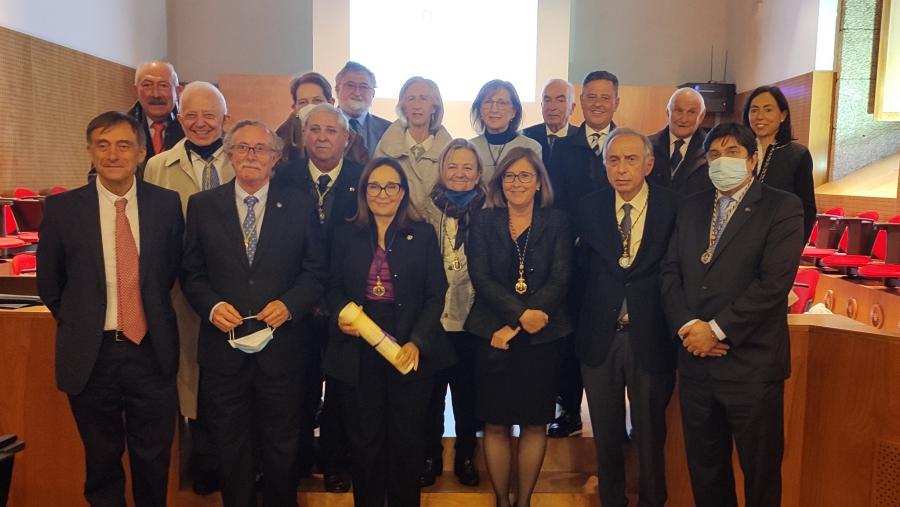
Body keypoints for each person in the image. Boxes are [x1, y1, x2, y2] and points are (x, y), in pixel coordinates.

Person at [37, 111, 184, 506]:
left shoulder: (166, 206)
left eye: (123, 145)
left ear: (140, 153)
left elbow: (170, 272)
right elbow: (50, 286)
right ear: (90, 152)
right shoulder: (63, 210)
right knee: (101, 460)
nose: (112, 154)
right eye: (102, 145)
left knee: (152, 458)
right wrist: (83, 322)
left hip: (150, 351)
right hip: (92, 354)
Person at [181, 120, 327, 507]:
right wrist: (211, 306)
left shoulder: (298, 204)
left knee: (282, 445)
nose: (250, 155)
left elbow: (315, 270)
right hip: (223, 352)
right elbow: (191, 273)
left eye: (260, 149)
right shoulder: (202, 206)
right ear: (229, 155)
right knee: (231, 446)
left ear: (276, 158)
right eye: (242, 148)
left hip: (282, 350)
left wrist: (290, 304)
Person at [660, 122, 805, 507]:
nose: (722, 161)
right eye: (714, 155)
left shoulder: (782, 206)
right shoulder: (691, 206)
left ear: (753, 160)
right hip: (697, 365)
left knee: (760, 476)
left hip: (751, 367)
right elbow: (670, 272)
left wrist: (718, 330)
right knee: (706, 474)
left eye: (733, 153)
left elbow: (773, 285)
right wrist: (691, 327)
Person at [324, 157, 453, 507]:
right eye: (375, 186)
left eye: (391, 186)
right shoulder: (345, 234)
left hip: (408, 350)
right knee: (364, 442)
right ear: (364, 192)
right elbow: (331, 288)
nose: (383, 193)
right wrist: (340, 316)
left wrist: (418, 341)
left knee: (405, 441)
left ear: (403, 192)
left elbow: (434, 293)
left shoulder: (422, 233)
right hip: (358, 349)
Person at [577, 128, 678, 507]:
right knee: (606, 435)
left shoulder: (673, 206)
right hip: (599, 337)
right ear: (604, 166)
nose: (622, 168)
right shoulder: (588, 207)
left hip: (650, 335)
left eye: (631, 159)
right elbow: (579, 273)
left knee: (651, 436)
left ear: (648, 164)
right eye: (613, 160)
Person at [465, 147, 572, 507]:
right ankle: (500, 500)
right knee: (495, 423)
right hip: (492, 334)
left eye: (525, 175)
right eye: (509, 176)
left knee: (534, 423)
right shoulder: (483, 220)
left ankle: (523, 501)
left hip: (544, 336)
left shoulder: (556, 221)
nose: (517, 183)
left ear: (539, 182)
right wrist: (517, 317)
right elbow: (481, 276)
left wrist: (528, 319)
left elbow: (561, 277)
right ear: (499, 183)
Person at [143, 80, 234, 495]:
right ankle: (203, 457)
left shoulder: (244, 159)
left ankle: (235, 456)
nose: (200, 123)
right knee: (190, 374)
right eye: (191, 115)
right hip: (181, 290)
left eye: (209, 115)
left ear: (224, 120)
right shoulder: (157, 167)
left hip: (238, 288)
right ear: (180, 119)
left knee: (235, 372)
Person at [274, 103, 362, 492]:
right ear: (303, 135)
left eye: (332, 130)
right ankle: (294, 461)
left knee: (342, 386)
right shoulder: (284, 176)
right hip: (295, 300)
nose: (323, 137)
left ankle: (335, 461)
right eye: (315, 129)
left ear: (347, 138)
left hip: (347, 299)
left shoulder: (363, 178)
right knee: (298, 385)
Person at [546, 70, 620, 439]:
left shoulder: (626, 146)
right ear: (581, 102)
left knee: (613, 339)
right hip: (571, 263)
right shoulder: (564, 148)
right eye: (590, 96)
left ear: (616, 103)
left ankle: (614, 419)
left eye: (605, 97)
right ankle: (570, 411)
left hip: (614, 265)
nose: (597, 103)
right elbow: (554, 205)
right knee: (570, 338)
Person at [418, 139, 487, 488]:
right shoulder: (423, 210)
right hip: (433, 319)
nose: (460, 174)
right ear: (442, 171)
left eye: (467, 168)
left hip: (473, 318)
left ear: (478, 175)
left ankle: (465, 456)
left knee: (467, 395)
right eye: (453, 167)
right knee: (430, 395)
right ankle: (429, 455)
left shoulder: (490, 212)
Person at [87, 61, 185, 181]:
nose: (155, 94)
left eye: (163, 85)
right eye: (147, 85)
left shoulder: (190, 127)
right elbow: (96, 176)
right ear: (135, 90)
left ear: (178, 91)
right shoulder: (118, 128)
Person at [743, 85, 817, 239]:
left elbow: (807, 209)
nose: (759, 116)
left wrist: (795, 247)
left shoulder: (797, 155)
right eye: (754, 110)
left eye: (768, 110)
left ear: (782, 115)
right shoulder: (737, 152)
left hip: (778, 239)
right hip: (738, 238)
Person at [374, 76, 453, 217]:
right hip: (397, 229)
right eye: (411, 99)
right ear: (404, 108)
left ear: (434, 107)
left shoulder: (450, 151)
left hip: (437, 230)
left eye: (423, 98)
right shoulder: (385, 148)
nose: (417, 105)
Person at [275, 71, 368, 165]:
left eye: (317, 100)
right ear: (295, 108)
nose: (310, 107)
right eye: (303, 102)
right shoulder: (281, 138)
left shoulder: (353, 140)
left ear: (331, 103)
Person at [468, 80, 542, 182]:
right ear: (480, 110)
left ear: (514, 111)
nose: (494, 109)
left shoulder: (530, 147)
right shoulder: (469, 148)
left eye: (501, 103)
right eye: (488, 102)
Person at [648, 87, 713, 196]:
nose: (684, 119)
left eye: (691, 112)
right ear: (668, 112)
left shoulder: (712, 150)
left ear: (701, 116)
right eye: (678, 110)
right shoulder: (646, 146)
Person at [335, 61, 391, 157]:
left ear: (372, 94)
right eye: (350, 85)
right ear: (337, 90)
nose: (357, 93)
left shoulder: (388, 130)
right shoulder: (322, 126)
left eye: (363, 87)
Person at [521, 78, 577, 170]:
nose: (552, 107)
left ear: (572, 107)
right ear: (541, 105)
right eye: (547, 100)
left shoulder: (581, 138)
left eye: (560, 100)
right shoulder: (525, 137)